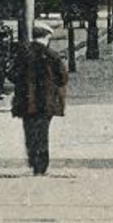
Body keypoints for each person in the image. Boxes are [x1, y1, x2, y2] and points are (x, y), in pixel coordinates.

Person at [8, 22, 68, 176]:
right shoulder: (52, 55)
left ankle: (33, 161)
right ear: (47, 37)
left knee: (29, 131)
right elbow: (63, 78)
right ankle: (41, 165)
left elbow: (12, 75)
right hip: (46, 102)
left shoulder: (23, 54)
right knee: (42, 133)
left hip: (26, 101)